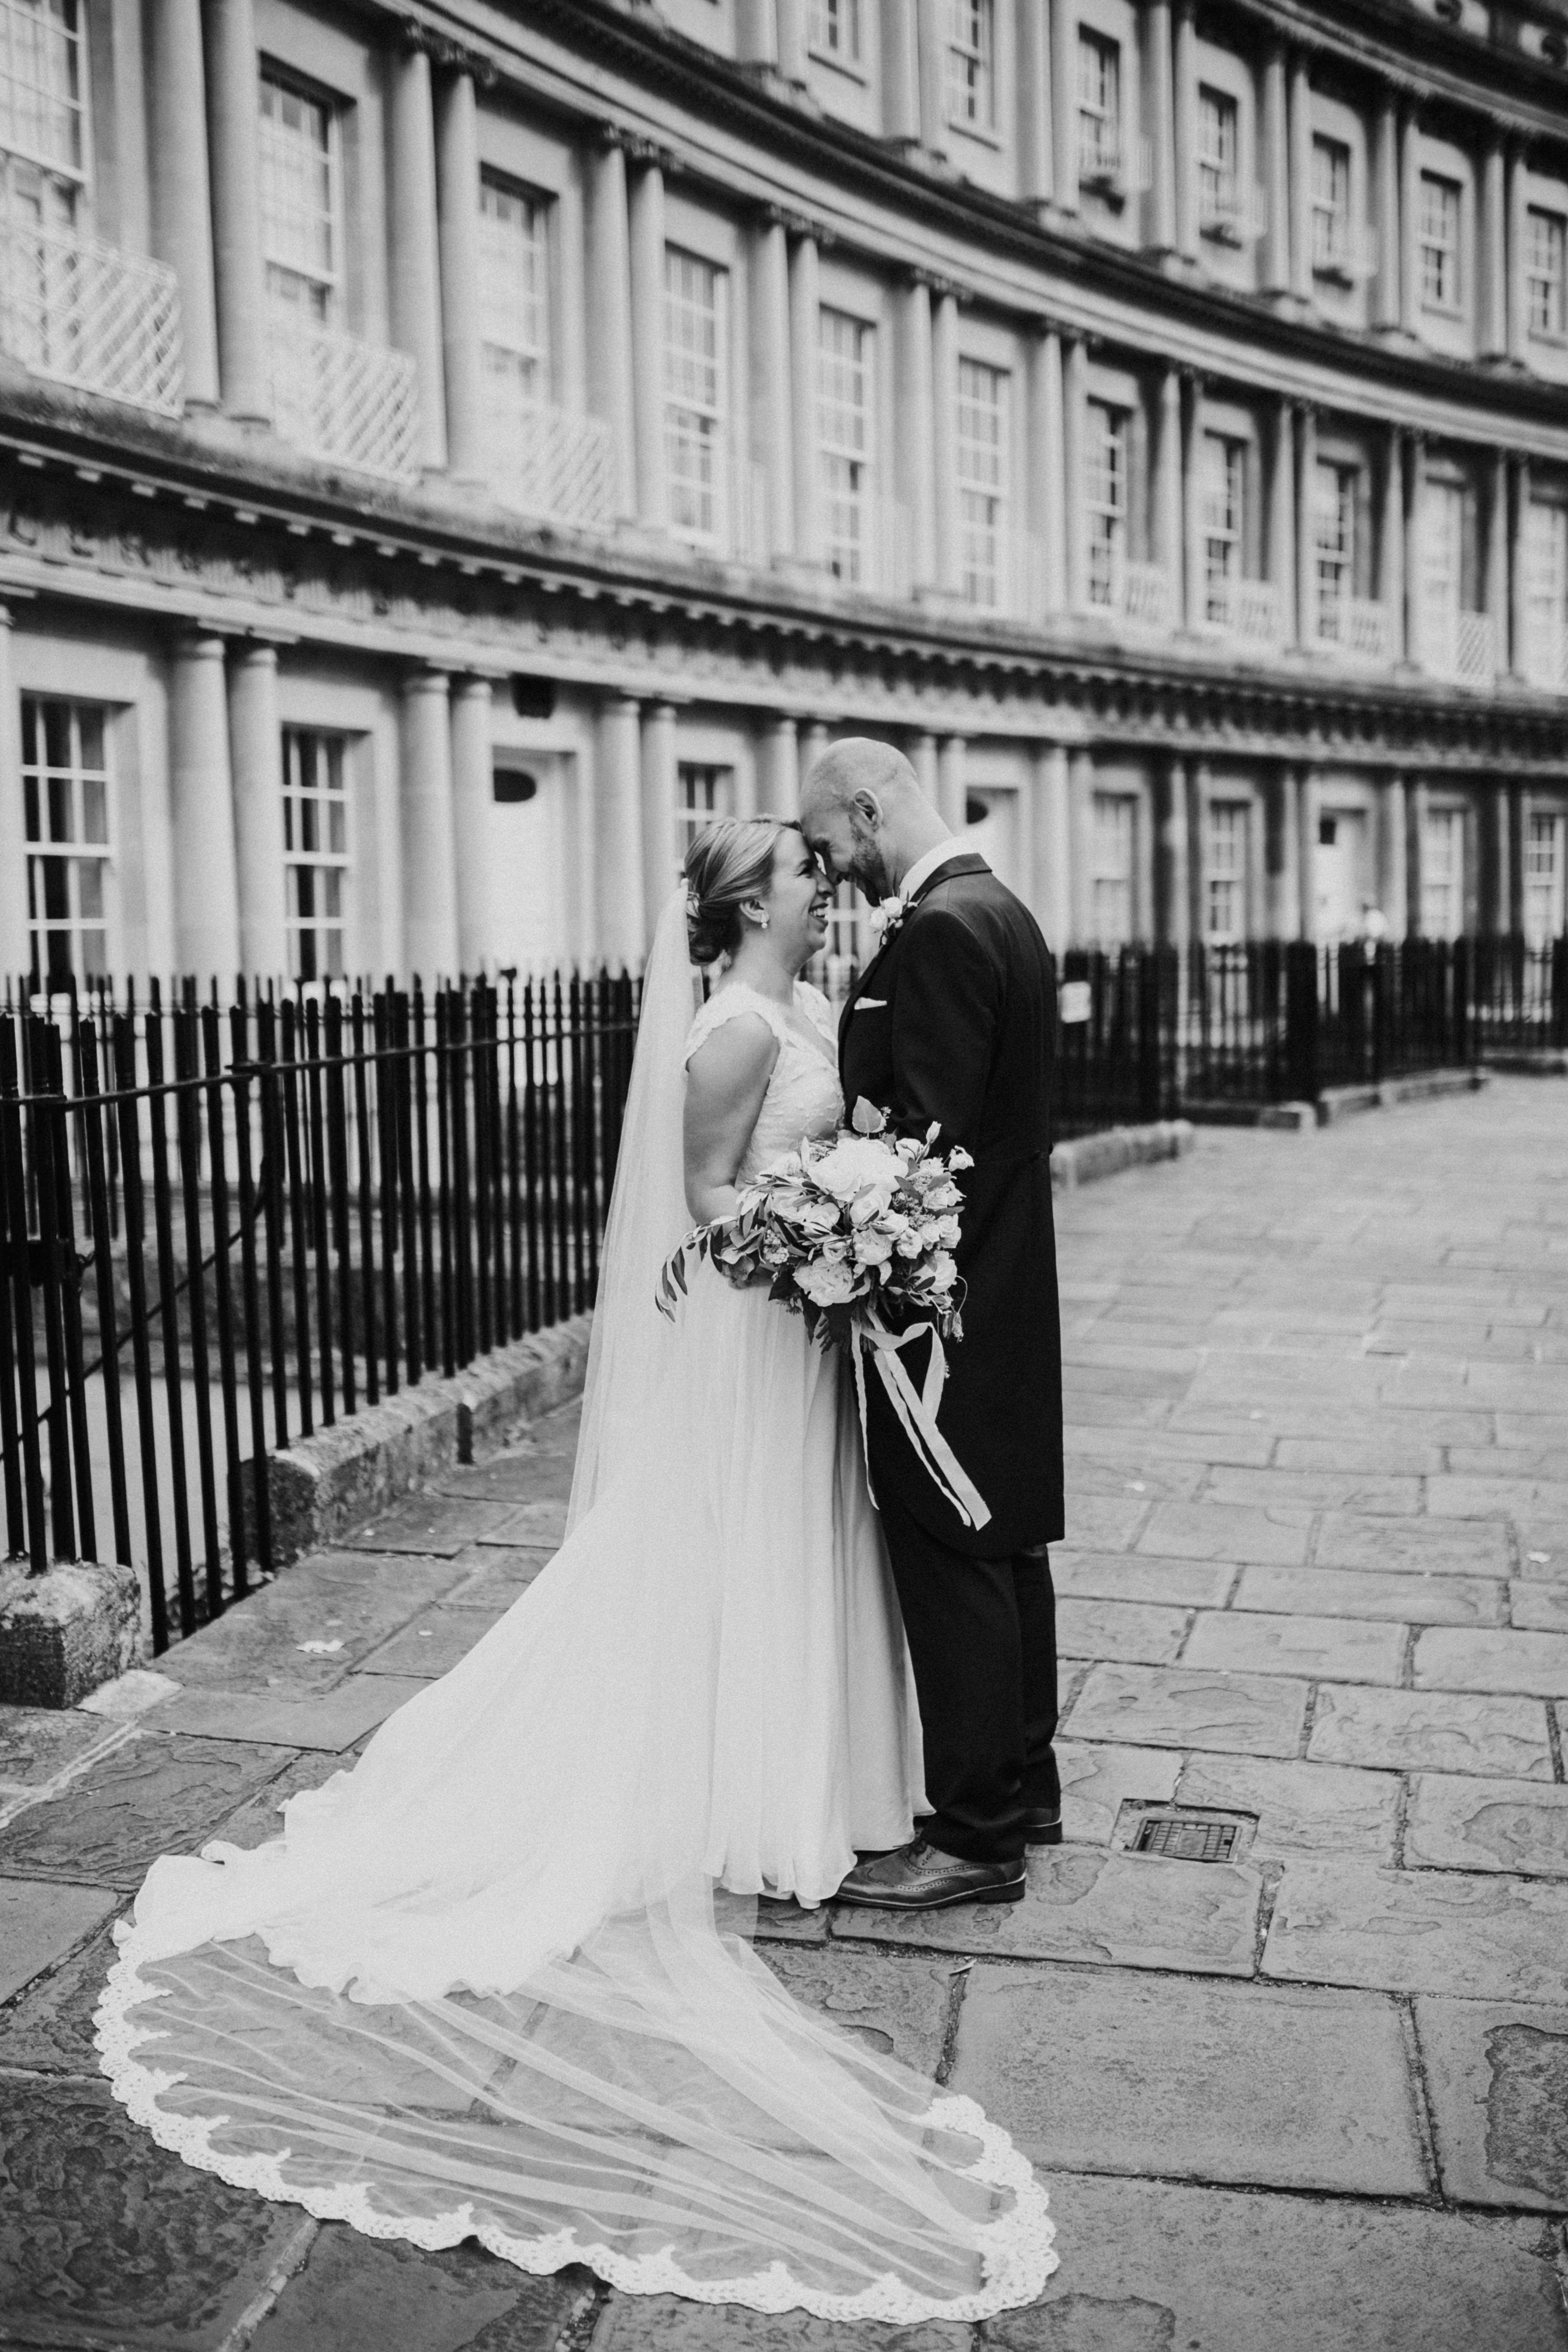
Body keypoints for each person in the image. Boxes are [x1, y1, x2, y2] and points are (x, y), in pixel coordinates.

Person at [97, 815, 1056, 2324]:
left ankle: (806, 1776)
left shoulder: (809, 1007)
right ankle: (732, 1788)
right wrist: (819, 1236)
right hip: (768, 1337)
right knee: (744, 1558)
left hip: (816, 1339)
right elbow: (704, 1199)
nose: (828, 888)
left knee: (815, 1562)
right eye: (804, 876)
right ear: (754, 905)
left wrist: (856, 1227)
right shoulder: (737, 1030)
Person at [800, 741, 1064, 1912]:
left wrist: (837, 1216)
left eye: (828, 843)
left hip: (939, 1306)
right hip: (1006, 1278)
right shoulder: (1003, 909)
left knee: (952, 1543)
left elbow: (925, 1149)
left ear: (871, 807)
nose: (828, 868)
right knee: (1003, 1534)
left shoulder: (946, 930)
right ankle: (1026, 1786)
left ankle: (974, 1836)